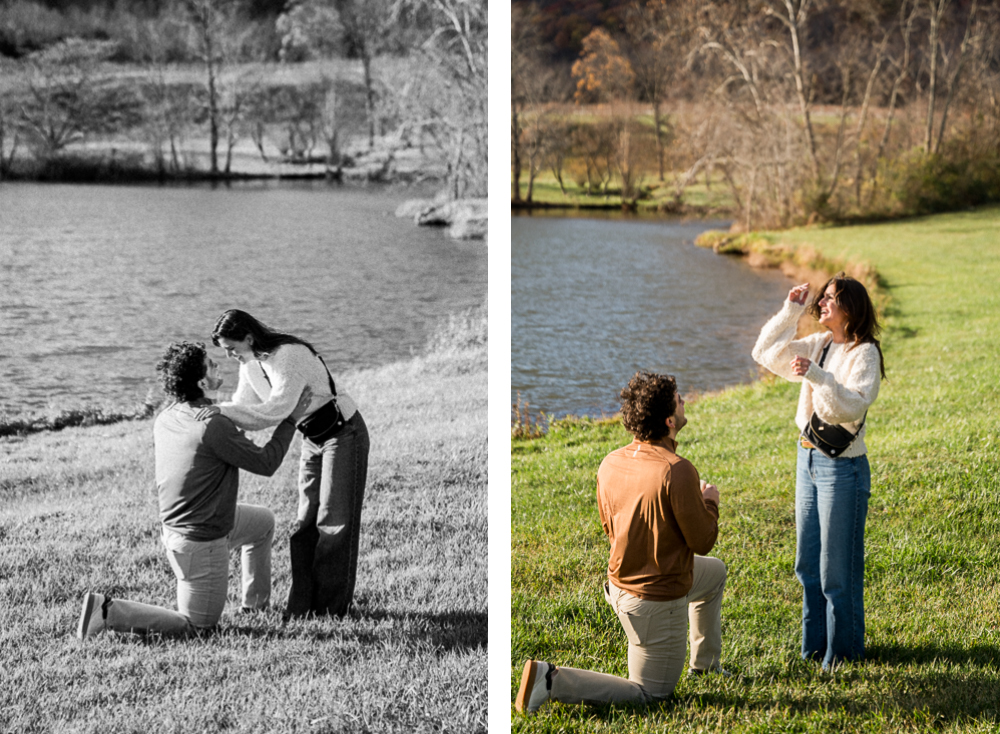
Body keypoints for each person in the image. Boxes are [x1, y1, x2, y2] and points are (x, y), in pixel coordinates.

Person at [516, 371, 727, 714]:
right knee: (651, 695)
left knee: (714, 574)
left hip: (619, 587)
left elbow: (609, 527)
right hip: (655, 603)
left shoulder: (610, 461)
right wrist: (710, 502)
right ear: (670, 420)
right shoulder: (677, 470)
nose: (685, 401)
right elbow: (703, 541)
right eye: (679, 399)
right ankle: (550, 679)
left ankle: (706, 665)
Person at [77, 341, 312, 639]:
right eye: (211, 364)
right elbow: (266, 463)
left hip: (182, 531)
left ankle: (254, 608)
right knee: (198, 628)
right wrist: (290, 418)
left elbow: (214, 445)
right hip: (202, 542)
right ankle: (107, 610)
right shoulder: (212, 426)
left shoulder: (169, 415)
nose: (217, 366)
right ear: (202, 382)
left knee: (262, 523)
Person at [198, 309, 370, 619]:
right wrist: (211, 422)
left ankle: (330, 611)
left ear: (248, 338)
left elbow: (275, 411)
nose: (230, 355)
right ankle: (300, 608)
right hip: (311, 438)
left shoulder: (289, 356)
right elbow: (245, 410)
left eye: (232, 348)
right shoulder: (251, 366)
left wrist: (218, 412)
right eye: (225, 351)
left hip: (343, 435)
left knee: (334, 523)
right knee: (304, 525)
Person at [752, 273, 885, 669]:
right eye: (822, 298)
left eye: (830, 299)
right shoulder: (821, 344)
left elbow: (846, 408)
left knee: (836, 571)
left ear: (850, 309)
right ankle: (814, 651)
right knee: (807, 565)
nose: (822, 304)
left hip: (841, 469)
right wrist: (790, 310)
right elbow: (765, 353)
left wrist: (816, 375)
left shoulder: (865, 355)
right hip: (806, 459)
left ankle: (842, 656)